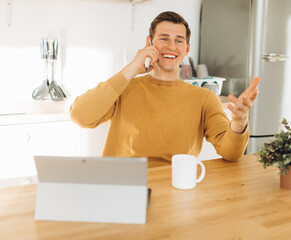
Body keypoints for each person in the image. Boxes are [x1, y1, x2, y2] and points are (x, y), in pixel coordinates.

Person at [70, 11, 260, 165]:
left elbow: (231, 153)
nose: (171, 46)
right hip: (120, 186)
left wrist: (239, 121)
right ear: (149, 43)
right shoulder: (124, 87)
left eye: (179, 40)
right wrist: (131, 69)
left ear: (186, 49)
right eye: (164, 39)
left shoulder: (204, 98)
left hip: (175, 187)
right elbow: (80, 116)